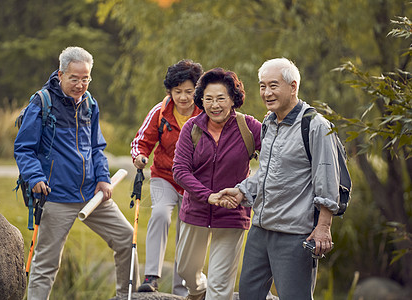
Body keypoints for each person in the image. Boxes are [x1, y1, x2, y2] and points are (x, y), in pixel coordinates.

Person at [14, 46, 139, 299]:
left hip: (91, 194)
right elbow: (23, 148)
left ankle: (129, 296)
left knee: (126, 237)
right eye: (74, 78)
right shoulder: (42, 102)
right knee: (46, 263)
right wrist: (36, 177)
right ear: (60, 74)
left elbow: (96, 147)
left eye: (85, 78)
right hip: (56, 196)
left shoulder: (90, 103)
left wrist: (103, 178)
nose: (80, 84)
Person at [216, 58, 340, 300]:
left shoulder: (316, 126)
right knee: (249, 295)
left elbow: (328, 179)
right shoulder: (269, 122)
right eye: (262, 86)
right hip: (260, 229)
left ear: (293, 87)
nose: (266, 92)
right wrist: (242, 191)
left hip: (294, 234)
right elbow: (267, 171)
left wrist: (323, 227)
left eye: (273, 85)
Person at [172, 68, 262, 300]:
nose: (215, 105)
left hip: (233, 212)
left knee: (221, 285)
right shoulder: (192, 128)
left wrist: (248, 189)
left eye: (221, 98)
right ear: (201, 100)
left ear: (233, 98)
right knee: (186, 270)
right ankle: (198, 289)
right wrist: (208, 195)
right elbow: (180, 170)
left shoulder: (249, 127)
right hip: (196, 210)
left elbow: (276, 158)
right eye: (208, 99)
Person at [130, 59, 203, 295]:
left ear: (197, 91)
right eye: (178, 91)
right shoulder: (160, 112)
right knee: (161, 214)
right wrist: (140, 156)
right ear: (169, 91)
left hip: (194, 182)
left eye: (189, 92)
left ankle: (182, 288)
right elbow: (142, 141)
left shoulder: (206, 113)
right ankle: (151, 276)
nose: (183, 97)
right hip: (164, 177)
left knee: (188, 228)